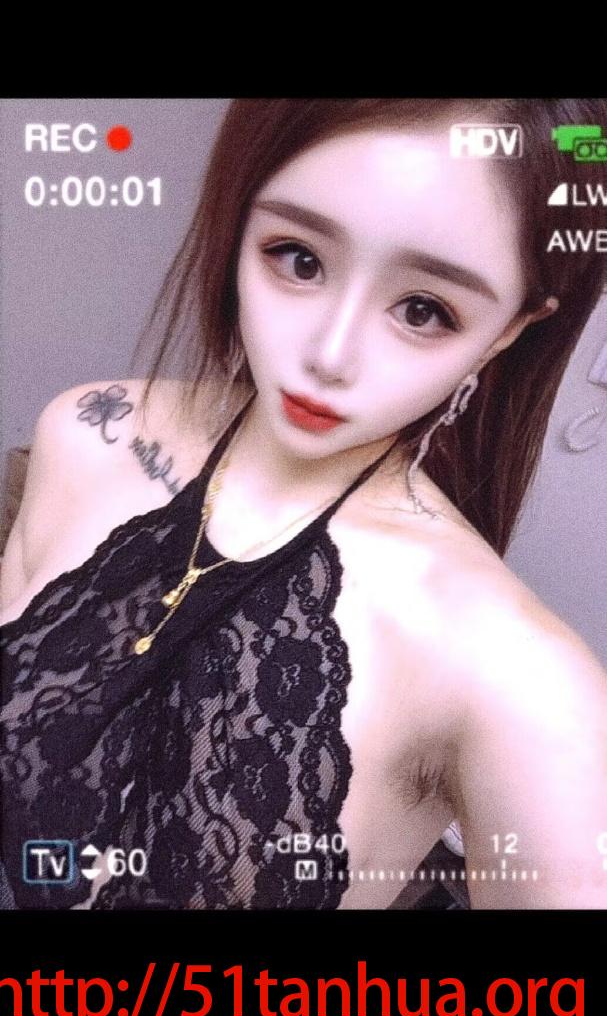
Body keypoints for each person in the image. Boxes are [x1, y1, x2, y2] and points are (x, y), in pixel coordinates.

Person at [1, 98, 606, 911]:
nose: (328, 354)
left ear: (506, 331)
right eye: (298, 259)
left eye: (423, 310)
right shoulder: (88, 432)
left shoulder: (516, 673)